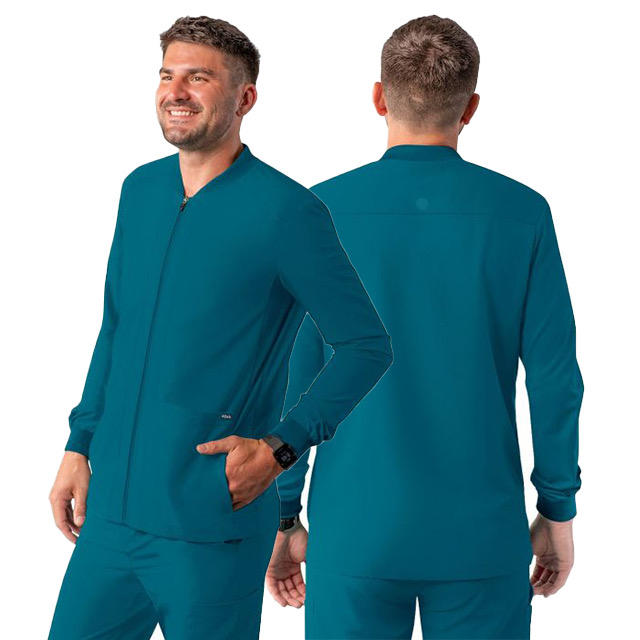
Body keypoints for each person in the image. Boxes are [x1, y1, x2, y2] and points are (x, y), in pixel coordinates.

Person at [48, 16, 392, 640]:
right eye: (167, 75)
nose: (176, 92)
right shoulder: (140, 190)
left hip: (211, 521)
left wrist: (282, 448)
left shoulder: (288, 212)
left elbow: (365, 345)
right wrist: (80, 442)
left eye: (198, 78)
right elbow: (116, 327)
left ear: (244, 98)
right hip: (111, 516)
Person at [268, 15, 583, 640]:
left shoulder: (316, 211)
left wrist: (281, 514)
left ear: (379, 98)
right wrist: (557, 509)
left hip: (355, 529)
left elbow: (291, 377)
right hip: (480, 533)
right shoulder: (522, 214)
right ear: (470, 108)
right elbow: (555, 379)